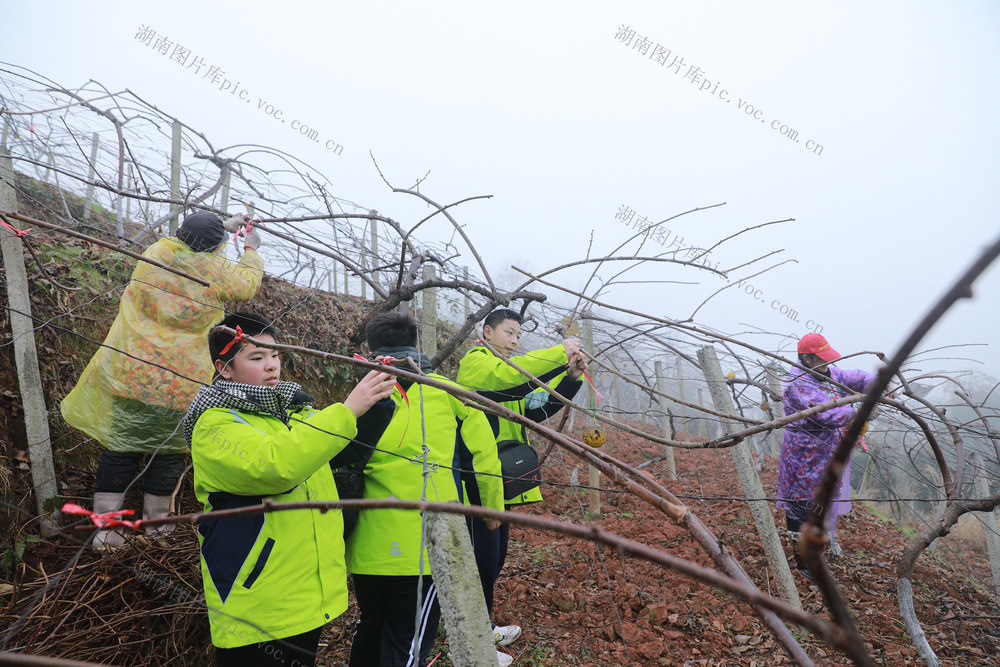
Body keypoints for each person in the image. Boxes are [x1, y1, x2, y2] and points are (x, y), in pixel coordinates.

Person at [183, 311, 396, 667]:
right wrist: (348, 409)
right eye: (257, 357)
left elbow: (340, 450)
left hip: (304, 596)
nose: (271, 366)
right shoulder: (215, 424)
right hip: (257, 603)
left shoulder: (291, 412)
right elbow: (277, 466)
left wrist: (374, 405)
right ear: (224, 369)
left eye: (275, 355)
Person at [61, 211, 265, 549]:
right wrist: (251, 250)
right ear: (215, 248)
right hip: (178, 381)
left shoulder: (156, 254)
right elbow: (244, 286)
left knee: (120, 449)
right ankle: (158, 532)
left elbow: (190, 247)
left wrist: (219, 230)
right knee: (168, 454)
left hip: (131, 371)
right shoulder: (213, 273)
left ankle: (107, 534)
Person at [345, 312, 506, 667]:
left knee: (370, 626)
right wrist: (493, 511)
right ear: (417, 345)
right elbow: (485, 458)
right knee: (408, 639)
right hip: (426, 543)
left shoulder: (356, 399)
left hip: (366, 546)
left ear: (371, 348)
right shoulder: (450, 393)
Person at [455, 309, 586, 656]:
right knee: (481, 557)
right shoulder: (478, 365)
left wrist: (570, 377)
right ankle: (477, 636)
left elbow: (536, 406)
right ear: (486, 332)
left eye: (518, 336)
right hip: (477, 481)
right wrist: (560, 353)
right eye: (508, 333)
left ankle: (482, 624)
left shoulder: (506, 374)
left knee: (494, 558)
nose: (514, 341)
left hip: (502, 481)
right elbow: (517, 379)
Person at [778, 332, 875, 578]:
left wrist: (875, 386)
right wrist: (858, 410)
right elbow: (827, 415)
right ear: (807, 358)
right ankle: (803, 563)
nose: (827, 363)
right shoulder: (799, 384)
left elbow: (857, 376)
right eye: (821, 359)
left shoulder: (828, 373)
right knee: (802, 505)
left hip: (827, 453)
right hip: (804, 456)